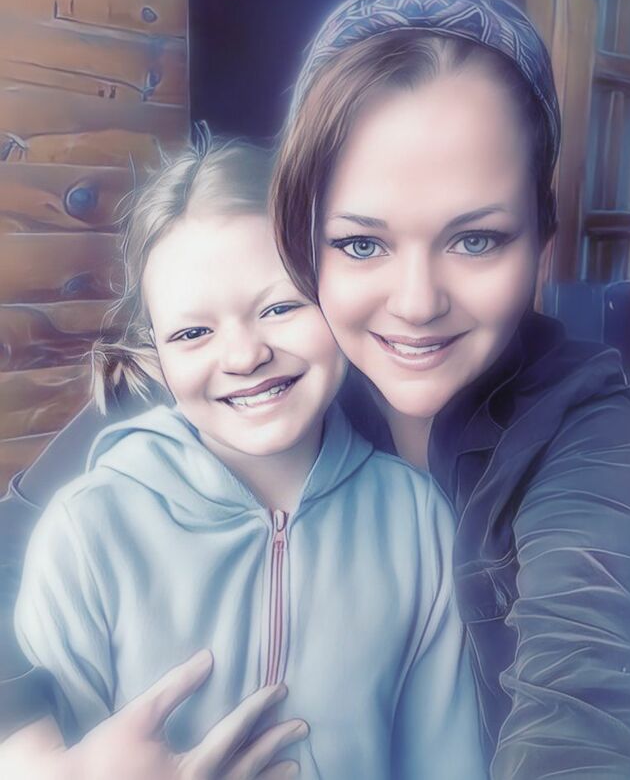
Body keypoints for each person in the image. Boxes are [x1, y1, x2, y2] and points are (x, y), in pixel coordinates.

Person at [8, 138, 486, 779]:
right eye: (192, 333)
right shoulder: (87, 531)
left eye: (281, 307)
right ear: (155, 354)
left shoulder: (419, 521)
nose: (243, 356)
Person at [270, 0, 630, 778]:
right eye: (361, 243)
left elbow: (589, 694)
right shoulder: (253, 365)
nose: (416, 303)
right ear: (304, 243)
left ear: (542, 239)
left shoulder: (589, 424)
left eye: (475, 240)